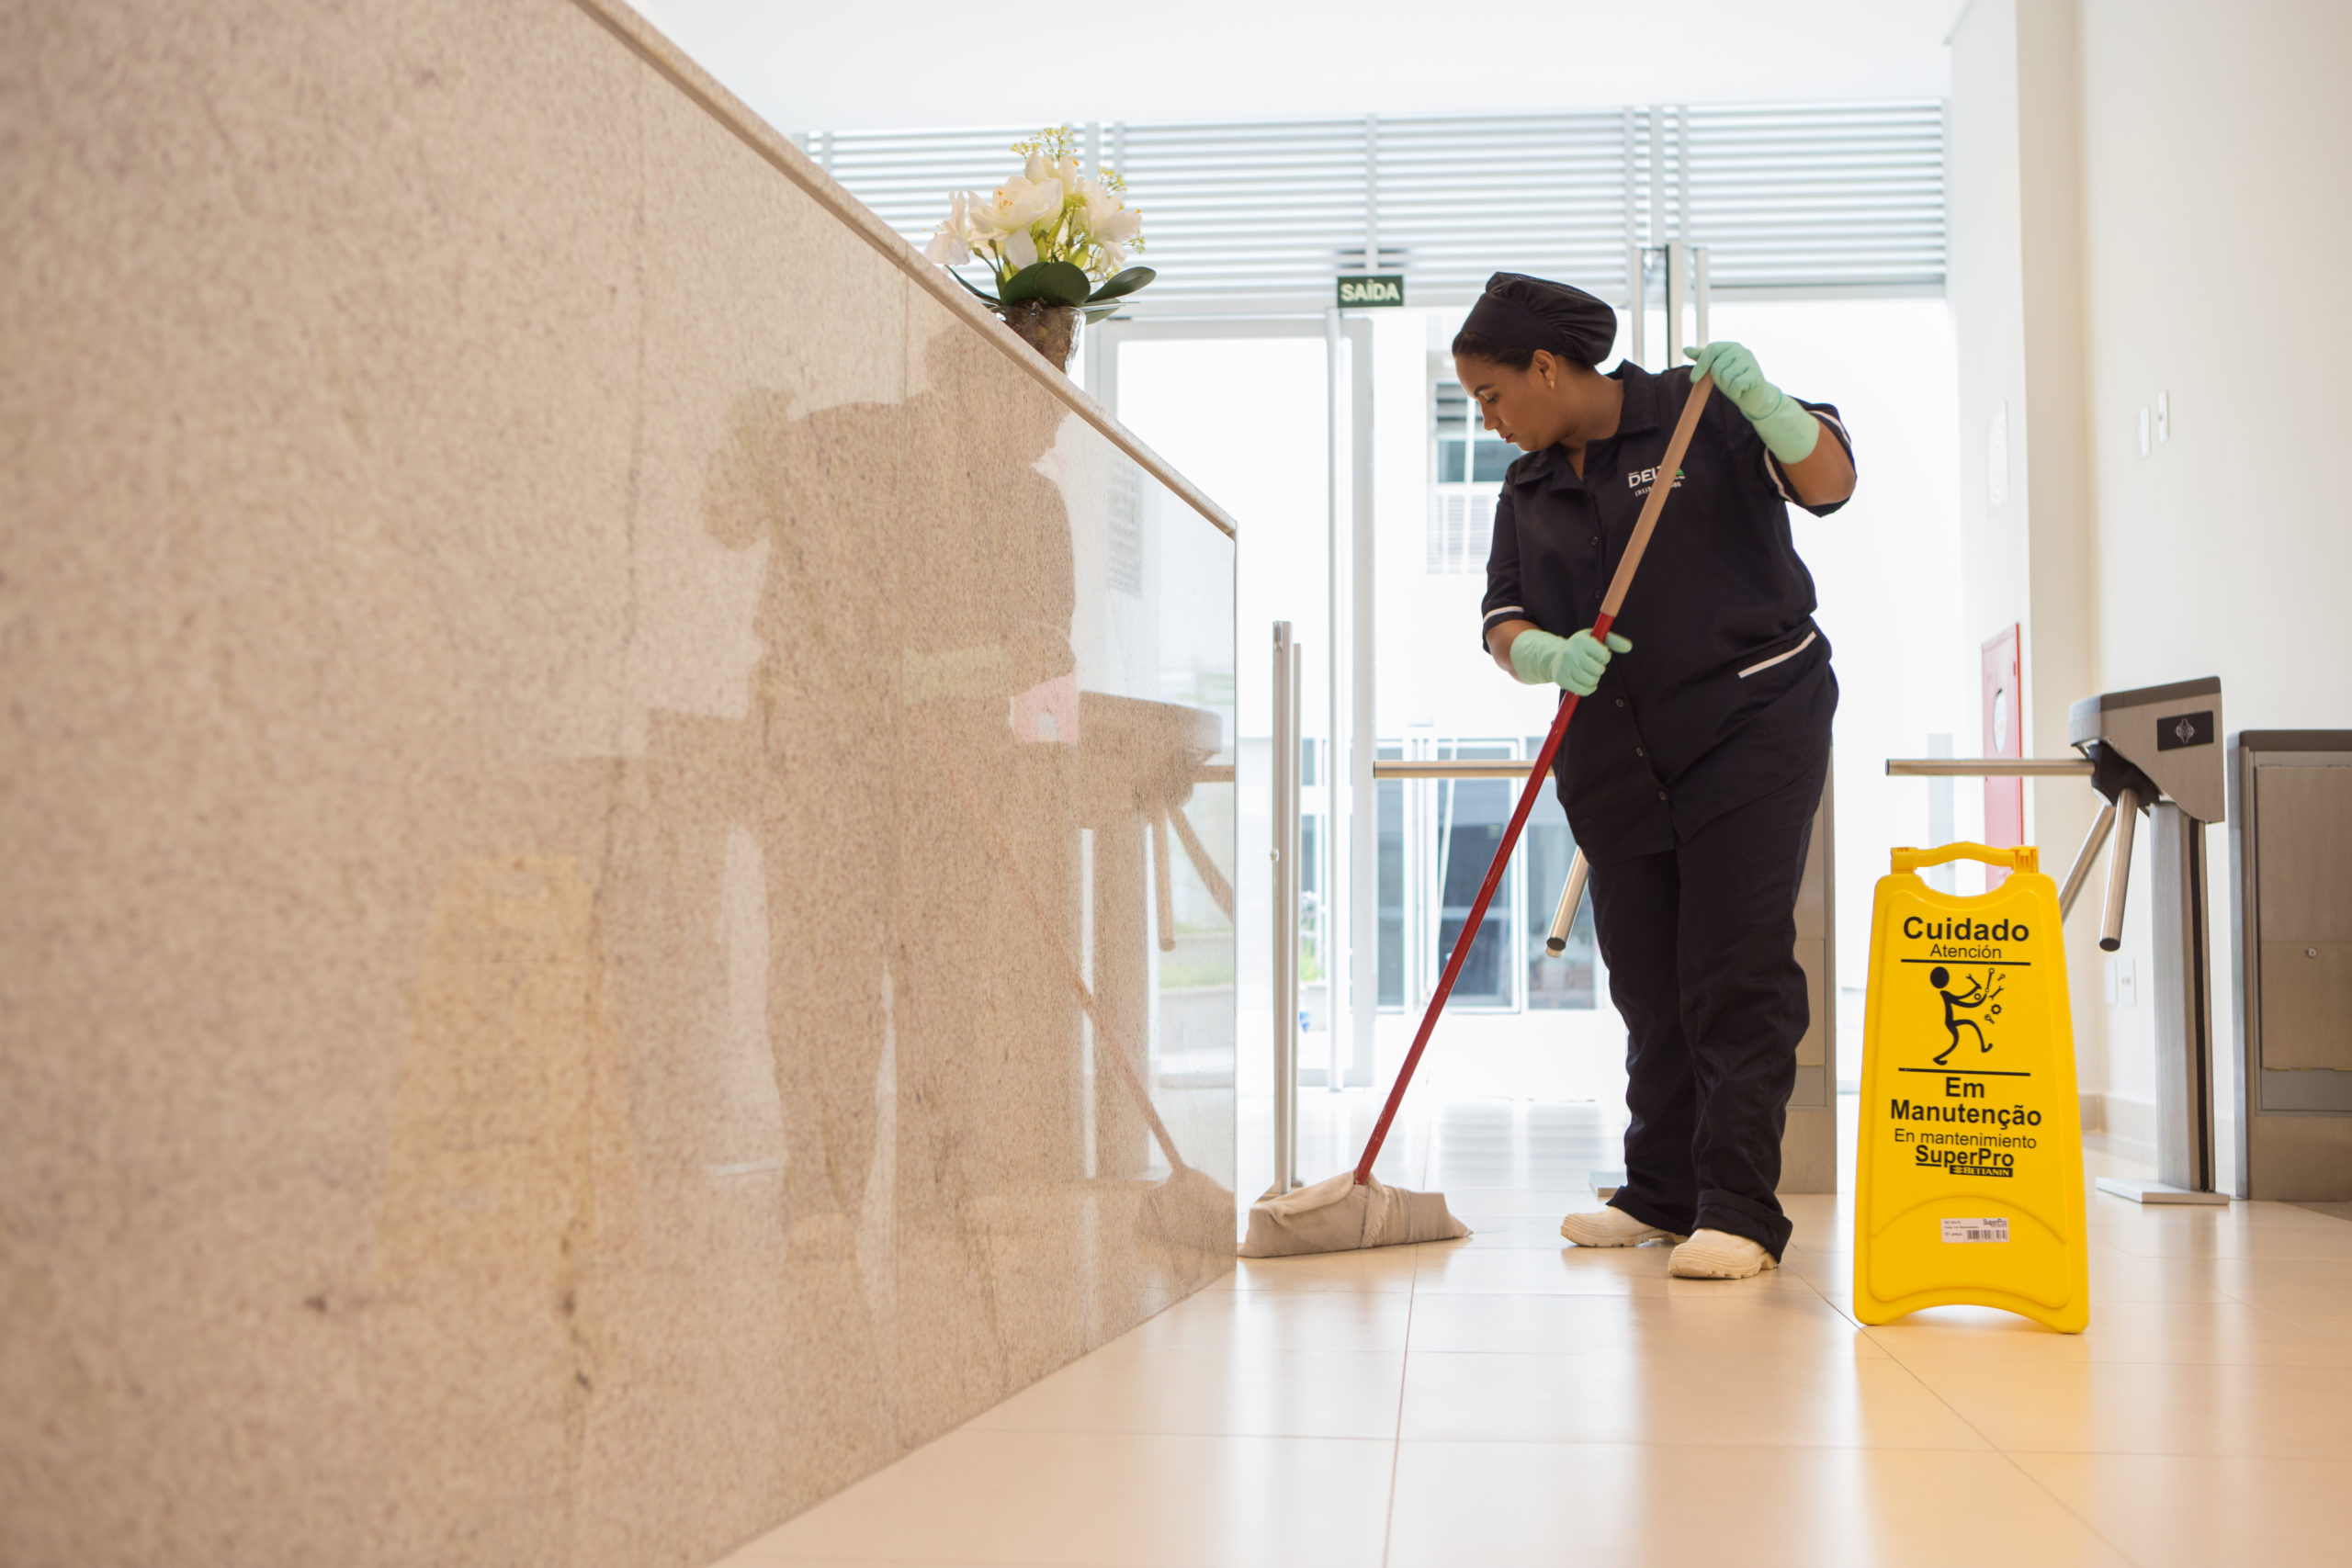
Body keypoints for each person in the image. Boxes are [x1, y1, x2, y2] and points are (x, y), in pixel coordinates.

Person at [1459, 272, 1855, 1280]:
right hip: (1613, 747)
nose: (1488, 420)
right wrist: (1541, 655)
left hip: (1750, 721)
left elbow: (1831, 482)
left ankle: (1739, 1208)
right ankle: (1661, 1190)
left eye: (1494, 396)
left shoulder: (1698, 411)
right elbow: (1500, 617)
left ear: (1545, 367)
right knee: (1646, 978)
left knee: (1734, 963)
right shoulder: (1527, 485)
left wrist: (1769, 408)